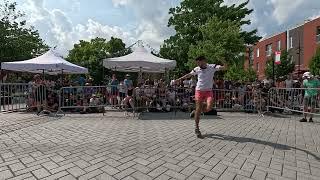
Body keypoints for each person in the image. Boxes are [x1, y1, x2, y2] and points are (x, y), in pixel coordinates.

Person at [173, 56, 224, 138]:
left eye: (199, 62)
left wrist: (223, 60)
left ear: (204, 61)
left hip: (208, 91)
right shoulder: (197, 69)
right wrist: (179, 79)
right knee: (199, 108)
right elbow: (188, 75)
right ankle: (197, 128)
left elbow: (225, 67)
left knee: (209, 107)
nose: (198, 64)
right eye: (197, 63)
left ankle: (196, 111)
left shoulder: (212, 66)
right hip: (199, 91)